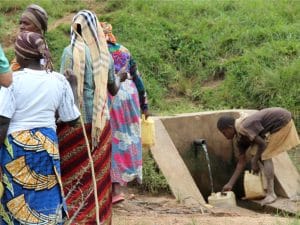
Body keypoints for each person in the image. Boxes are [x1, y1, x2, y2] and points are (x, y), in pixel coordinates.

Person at [0, 31, 80, 225]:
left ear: (21, 56)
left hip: (17, 147)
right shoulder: (59, 81)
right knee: (47, 195)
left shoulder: (13, 81)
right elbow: (73, 119)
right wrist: (74, 86)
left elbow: (2, 121)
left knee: (15, 198)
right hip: (47, 146)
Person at [59, 10, 126, 225]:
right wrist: (121, 76)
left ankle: (77, 218)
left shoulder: (69, 53)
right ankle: (100, 218)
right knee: (98, 177)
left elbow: (62, 90)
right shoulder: (103, 55)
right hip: (100, 124)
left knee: (75, 176)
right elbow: (113, 88)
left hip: (75, 125)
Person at [100, 22, 149, 204]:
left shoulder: (98, 52)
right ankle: (120, 187)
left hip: (111, 95)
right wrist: (145, 105)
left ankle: (113, 190)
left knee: (112, 139)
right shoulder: (124, 50)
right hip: (130, 95)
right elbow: (137, 77)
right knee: (128, 139)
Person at [217, 107, 300, 205]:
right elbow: (241, 162)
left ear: (230, 127)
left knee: (265, 154)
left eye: (224, 132)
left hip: (282, 120)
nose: (224, 136)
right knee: (255, 152)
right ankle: (266, 189)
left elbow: (263, 145)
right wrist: (230, 184)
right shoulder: (240, 139)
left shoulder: (244, 127)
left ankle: (271, 194)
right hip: (277, 122)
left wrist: (254, 161)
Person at [11, 4, 52, 71]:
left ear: (37, 27)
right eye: (20, 23)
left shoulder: (41, 53)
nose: (21, 26)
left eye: (26, 23)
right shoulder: (25, 47)